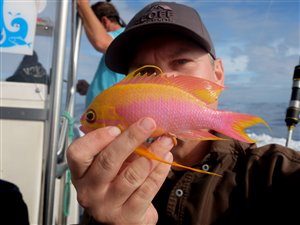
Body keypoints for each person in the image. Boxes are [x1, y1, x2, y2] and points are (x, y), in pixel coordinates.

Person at [67, 2, 300, 225]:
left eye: (181, 61)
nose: (163, 80)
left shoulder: (273, 173)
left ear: (218, 73)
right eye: (144, 71)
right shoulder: (111, 182)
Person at [76, 0, 126, 107]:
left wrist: (82, 4)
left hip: (109, 116)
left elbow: (101, 42)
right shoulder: (119, 41)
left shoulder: (124, 34)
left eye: (89, 24)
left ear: (104, 21)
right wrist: (90, 89)